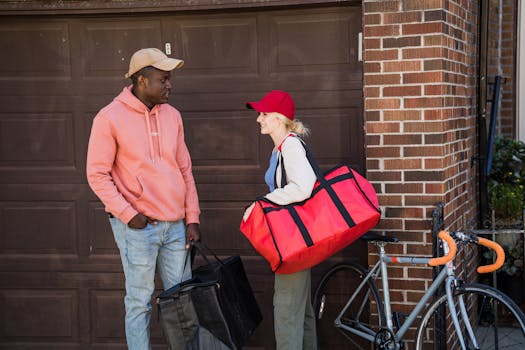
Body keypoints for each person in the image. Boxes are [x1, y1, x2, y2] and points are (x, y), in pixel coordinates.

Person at [86, 48, 201, 350]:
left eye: (169, 79)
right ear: (140, 80)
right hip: (138, 228)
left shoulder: (173, 116)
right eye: (163, 79)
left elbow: (185, 169)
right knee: (139, 302)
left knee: (182, 301)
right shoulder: (109, 118)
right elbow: (97, 174)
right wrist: (127, 214)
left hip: (176, 227)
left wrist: (192, 217)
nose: (169, 85)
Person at [243, 90, 318, 350]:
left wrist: (263, 204)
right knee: (301, 312)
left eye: (264, 114)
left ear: (278, 118)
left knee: (286, 312)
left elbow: (304, 186)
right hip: (294, 240)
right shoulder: (281, 148)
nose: (259, 119)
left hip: (294, 243)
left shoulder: (291, 146)